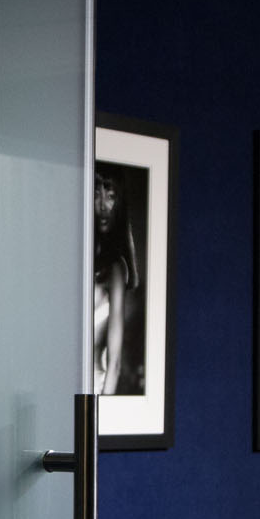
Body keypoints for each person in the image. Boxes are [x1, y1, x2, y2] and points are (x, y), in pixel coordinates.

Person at [93, 168, 139, 395]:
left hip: (94, 390)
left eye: (110, 196)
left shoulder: (115, 269)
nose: (102, 205)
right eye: (96, 194)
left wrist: (104, 407)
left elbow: (114, 364)